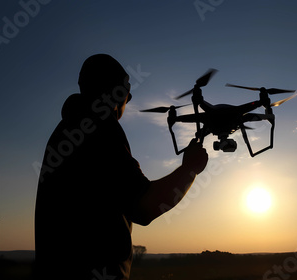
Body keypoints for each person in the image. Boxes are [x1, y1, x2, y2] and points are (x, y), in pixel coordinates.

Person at [34, 54, 208, 280]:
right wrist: (189, 169)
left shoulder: (68, 130)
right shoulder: (100, 127)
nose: (130, 98)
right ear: (117, 92)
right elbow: (145, 206)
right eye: (128, 90)